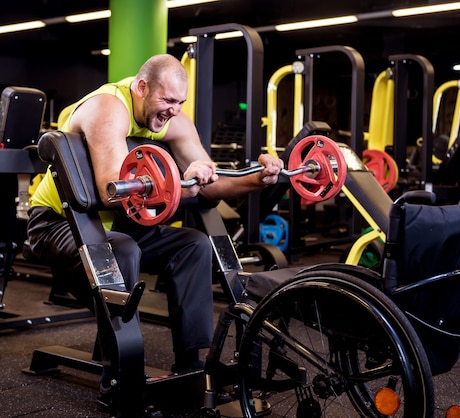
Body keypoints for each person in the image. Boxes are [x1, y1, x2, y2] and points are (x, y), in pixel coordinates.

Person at [26, 53, 283, 406]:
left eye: (180, 102)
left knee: (194, 245)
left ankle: (191, 365)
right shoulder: (108, 108)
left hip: (114, 226)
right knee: (123, 251)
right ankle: (117, 376)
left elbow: (211, 183)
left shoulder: (171, 121)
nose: (173, 110)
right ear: (142, 87)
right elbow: (111, 190)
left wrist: (260, 178)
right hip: (60, 221)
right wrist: (182, 183)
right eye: (167, 100)